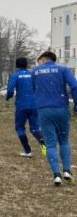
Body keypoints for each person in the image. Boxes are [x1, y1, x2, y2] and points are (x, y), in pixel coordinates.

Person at [32, 51, 77, 186]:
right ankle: (67, 170)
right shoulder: (63, 69)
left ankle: (56, 175)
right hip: (62, 108)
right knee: (64, 140)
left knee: (51, 143)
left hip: (44, 110)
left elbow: (33, 89)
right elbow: (74, 86)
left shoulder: (35, 71)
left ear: (44, 59)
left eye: (39, 60)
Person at [6, 57, 46, 158]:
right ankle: (43, 143)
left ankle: (28, 151)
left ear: (17, 65)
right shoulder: (32, 75)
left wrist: (8, 97)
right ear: (26, 65)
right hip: (34, 105)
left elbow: (10, 91)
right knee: (35, 128)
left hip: (22, 106)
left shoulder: (15, 76)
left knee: (20, 128)